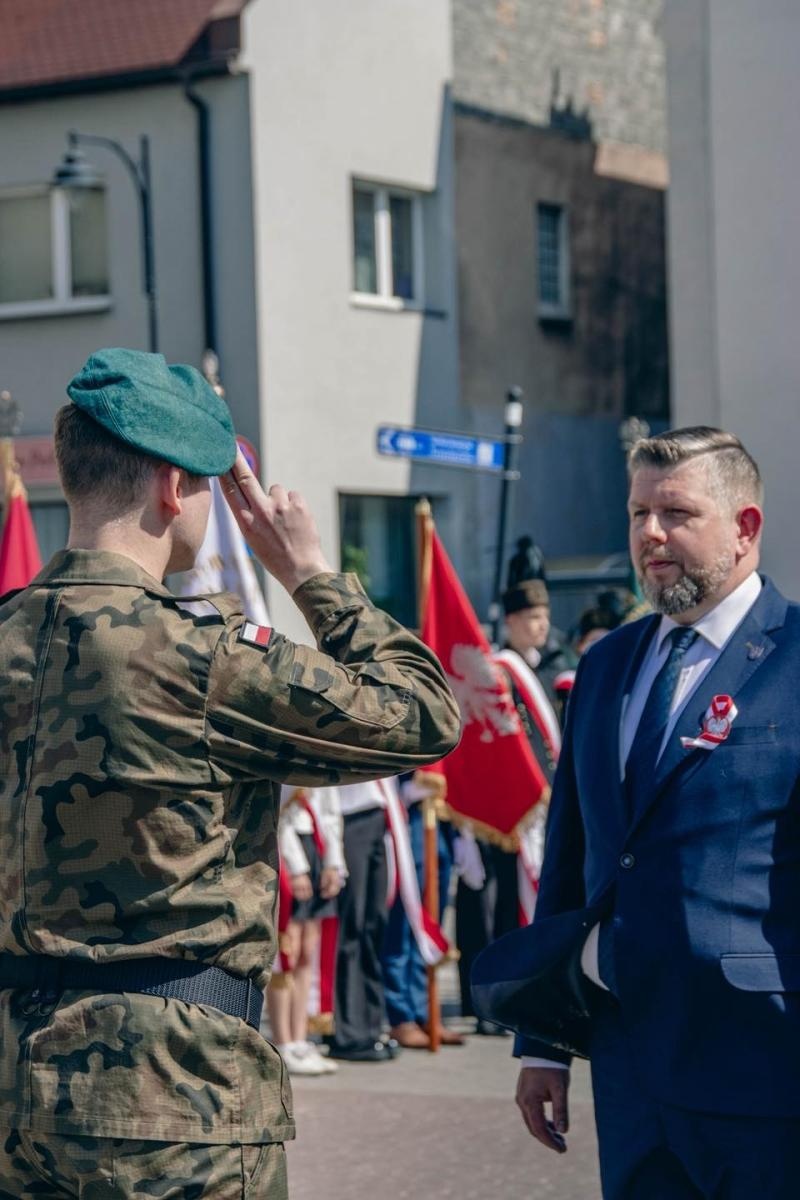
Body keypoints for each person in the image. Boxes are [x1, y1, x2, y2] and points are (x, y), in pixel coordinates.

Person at [0, 348, 460, 1198]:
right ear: (174, 486)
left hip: (12, 1092)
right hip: (170, 1100)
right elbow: (424, 715)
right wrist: (311, 577)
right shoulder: (197, 658)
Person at [514, 426, 800, 1199]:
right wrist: (543, 1041)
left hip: (763, 1062)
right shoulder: (608, 664)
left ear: (745, 528)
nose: (649, 535)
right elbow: (574, 856)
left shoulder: (796, 656)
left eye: (675, 513)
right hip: (630, 1059)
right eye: (638, 513)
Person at [456, 577, 562, 1030]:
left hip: (535, 809)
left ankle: (522, 992)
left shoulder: (542, 670)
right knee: (494, 908)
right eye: (534, 618)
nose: (543, 626)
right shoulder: (499, 671)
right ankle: (490, 1003)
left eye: (545, 617)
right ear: (514, 621)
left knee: (528, 909)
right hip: (503, 808)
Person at [381, 774, 463, 1049]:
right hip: (408, 804)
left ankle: (424, 1009)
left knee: (431, 917)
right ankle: (400, 1013)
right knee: (406, 917)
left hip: (441, 809)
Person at [268, 785, 345, 1076]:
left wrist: (333, 863)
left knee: (307, 952)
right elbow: (277, 811)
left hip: (316, 842)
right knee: (288, 949)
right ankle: (283, 1041)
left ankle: (300, 1038)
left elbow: (331, 810)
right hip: (288, 849)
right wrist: (296, 866)